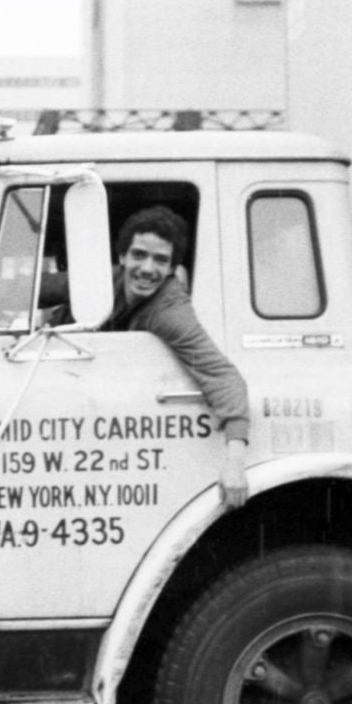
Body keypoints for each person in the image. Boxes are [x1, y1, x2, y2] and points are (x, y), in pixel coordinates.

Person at [102, 205, 251, 508]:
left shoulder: (169, 310)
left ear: (172, 269)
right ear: (121, 257)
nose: (147, 268)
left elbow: (223, 376)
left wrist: (235, 461)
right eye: (139, 254)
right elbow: (54, 286)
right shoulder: (106, 282)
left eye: (160, 260)